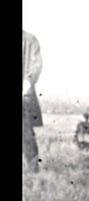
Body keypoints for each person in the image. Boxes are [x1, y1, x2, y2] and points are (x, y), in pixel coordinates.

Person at [23, 30, 43, 172]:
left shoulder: (30, 40)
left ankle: (32, 169)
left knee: (26, 134)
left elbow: (36, 65)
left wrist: (27, 82)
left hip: (23, 95)